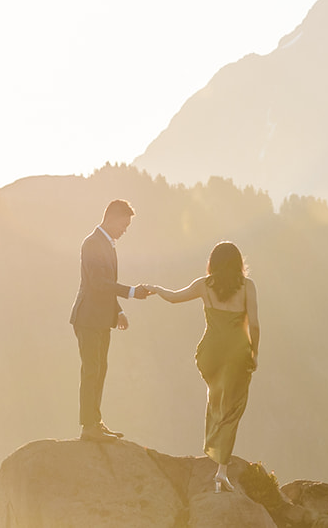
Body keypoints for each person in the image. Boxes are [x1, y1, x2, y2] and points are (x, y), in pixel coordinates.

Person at [150, 241, 260, 491]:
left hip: (210, 353)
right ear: (238, 263)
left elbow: (174, 298)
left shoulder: (204, 285)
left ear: (213, 263)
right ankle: (222, 470)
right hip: (236, 354)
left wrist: (155, 288)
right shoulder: (247, 287)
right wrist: (255, 352)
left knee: (216, 399)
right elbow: (254, 325)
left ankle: (212, 447)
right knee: (232, 408)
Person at [69, 198, 152, 442]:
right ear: (112, 218)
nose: (124, 231)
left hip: (101, 318)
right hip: (88, 318)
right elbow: (97, 283)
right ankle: (88, 426)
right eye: (123, 226)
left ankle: (95, 421)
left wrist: (117, 310)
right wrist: (131, 292)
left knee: (100, 369)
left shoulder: (107, 244)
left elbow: (103, 285)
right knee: (91, 370)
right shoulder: (92, 243)